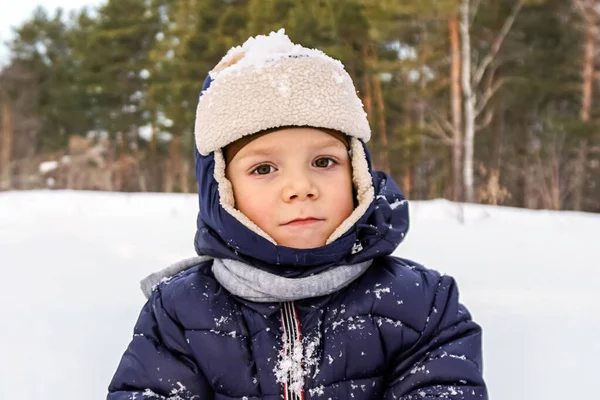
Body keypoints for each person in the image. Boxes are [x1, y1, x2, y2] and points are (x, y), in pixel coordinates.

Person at [107, 29, 487, 400]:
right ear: (221, 190)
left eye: (323, 161)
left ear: (357, 174)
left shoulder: (420, 305)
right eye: (264, 169)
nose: (300, 187)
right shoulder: (181, 312)